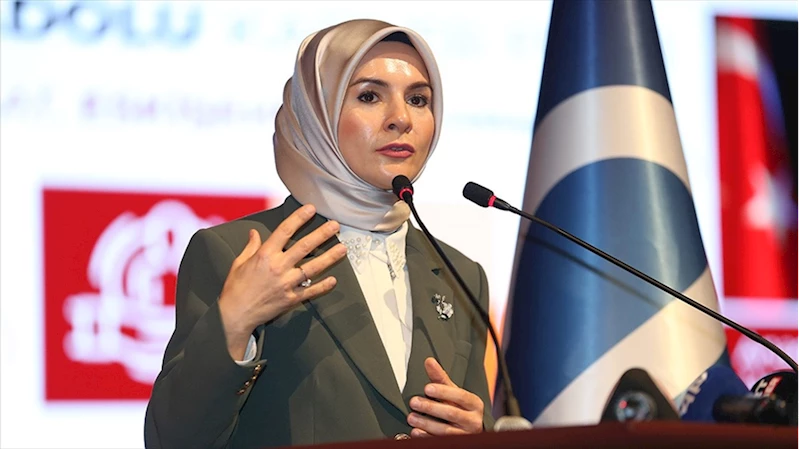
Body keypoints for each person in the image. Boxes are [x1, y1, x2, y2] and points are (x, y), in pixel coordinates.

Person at [144, 18, 494, 448]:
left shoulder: (461, 275)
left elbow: (475, 416)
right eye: (369, 96)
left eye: (418, 99)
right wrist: (234, 323)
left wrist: (479, 434)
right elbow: (171, 439)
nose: (401, 119)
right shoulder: (237, 252)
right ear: (316, 113)